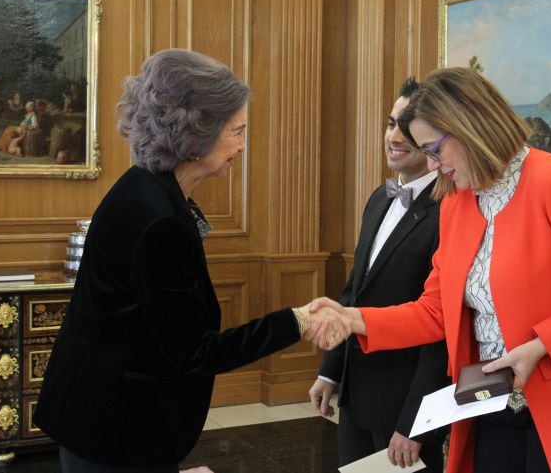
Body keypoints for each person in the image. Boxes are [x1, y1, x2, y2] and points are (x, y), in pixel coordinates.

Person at [312, 67, 551, 473]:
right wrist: (355, 319)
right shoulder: (456, 204)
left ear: (468, 126)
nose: (434, 165)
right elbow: (435, 310)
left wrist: (541, 345)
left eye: (435, 149)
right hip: (489, 403)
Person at [33, 48, 346, 473]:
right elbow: (195, 352)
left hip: (106, 419)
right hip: (113, 431)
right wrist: (298, 321)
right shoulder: (156, 217)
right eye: (236, 131)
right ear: (196, 133)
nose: (242, 145)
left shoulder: (148, 187)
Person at [308, 78, 450, 472]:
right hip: (356, 394)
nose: (395, 136)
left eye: (408, 126)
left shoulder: (450, 212)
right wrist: (331, 372)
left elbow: (441, 329)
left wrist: (417, 423)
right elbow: (354, 293)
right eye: (391, 123)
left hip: (406, 406)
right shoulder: (378, 198)